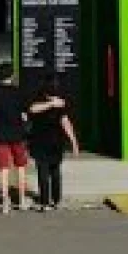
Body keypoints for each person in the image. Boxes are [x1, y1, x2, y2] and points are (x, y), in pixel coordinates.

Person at [0, 63, 30, 214]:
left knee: (3, 168)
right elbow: (24, 115)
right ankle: (22, 200)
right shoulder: (19, 92)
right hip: (17, 134)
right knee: (20, 166)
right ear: (12, 76)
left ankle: (5, 202)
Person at [27, 74, 81, 212]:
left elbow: (65, 121)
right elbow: (32, 109)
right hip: (44, 141)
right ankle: (48, 201)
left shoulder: (56, 101)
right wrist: (51, 104)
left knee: (52, 171)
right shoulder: (45, 99)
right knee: (46, 172)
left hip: (49, 141)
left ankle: (53, 200)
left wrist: (73, 141)